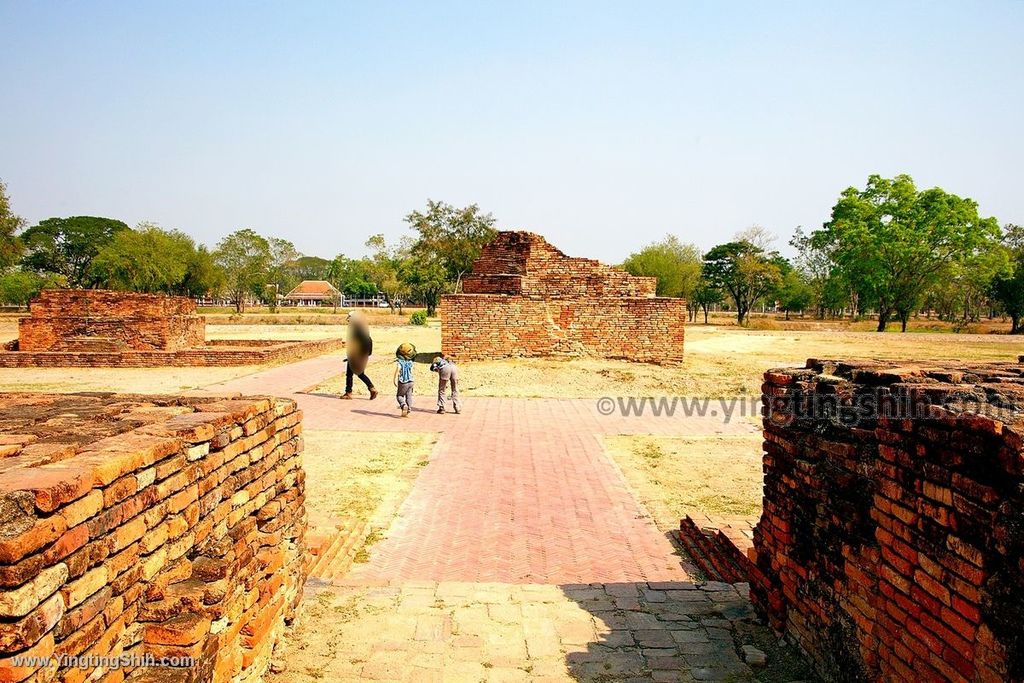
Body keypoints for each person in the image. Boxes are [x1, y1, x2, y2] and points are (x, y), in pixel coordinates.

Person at [341, 310, 377, 400]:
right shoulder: (362, 329)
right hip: (361, 354)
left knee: (351, 373)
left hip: (356, 355)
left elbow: (357, 344)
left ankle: (348, 392)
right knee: (359, 373)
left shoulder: (356, 331)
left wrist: (355, 355)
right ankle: (371, 388)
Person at [394, 342, 416, 417]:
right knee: (409, 395)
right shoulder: (411, 362)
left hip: (403, 382)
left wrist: (394, 380)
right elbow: (412, 372)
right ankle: (409, 409)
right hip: (411, 381)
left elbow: (397, 372)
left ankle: (403, 405)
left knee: (399, 396)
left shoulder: (399, 363)